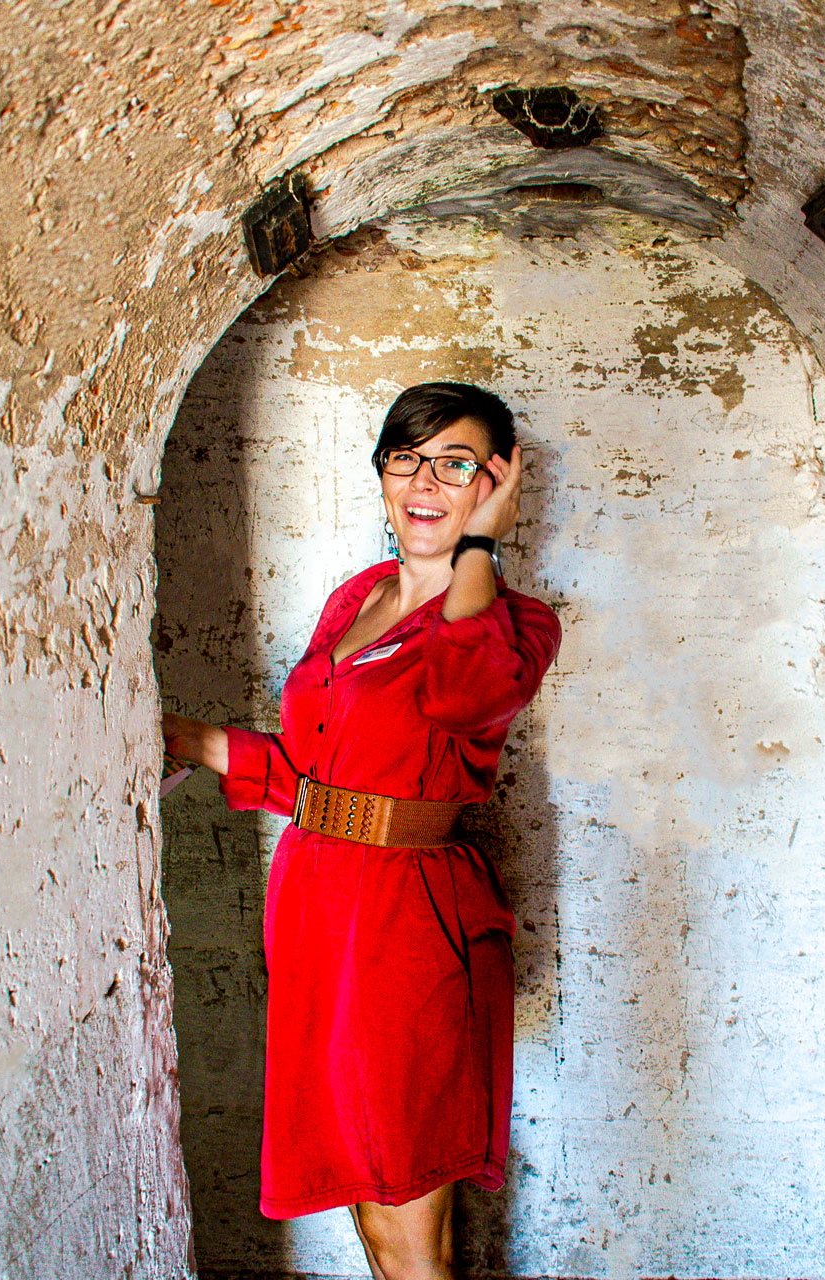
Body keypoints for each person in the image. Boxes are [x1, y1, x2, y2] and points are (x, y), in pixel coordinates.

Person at [163, 382, 562, 1280]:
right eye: (405, 458)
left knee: (407, 1207)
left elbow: (461, 690)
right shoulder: (355, 601)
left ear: (496, 483)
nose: (424, 480)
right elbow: (315, 779)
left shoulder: (516, 623)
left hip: (407, 927)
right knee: (369, 1209)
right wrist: (188, 740)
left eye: (456, 464)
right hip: (317, 918)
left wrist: (477, 546)